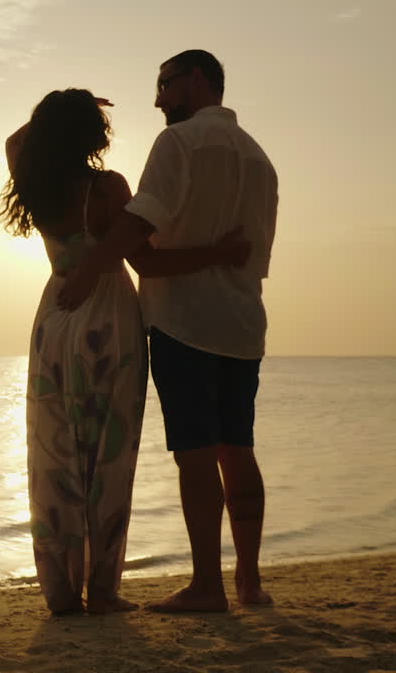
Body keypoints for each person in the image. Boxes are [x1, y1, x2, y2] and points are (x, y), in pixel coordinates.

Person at [0, 88, 250, 616]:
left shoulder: (35, 180)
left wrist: (58, 107)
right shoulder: (106, 187)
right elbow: (150, 265)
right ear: (94, 134)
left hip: (55, 315)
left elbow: (16, 138)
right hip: (108, 317)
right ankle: (104, 590)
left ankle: (63, 590)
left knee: (56, 453)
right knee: (108, 456)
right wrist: (222, 254)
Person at [56, 50, 279, 612]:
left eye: (165, 85)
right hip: (244, 324)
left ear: (197, 79)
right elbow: (253, 254)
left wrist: (87, 268)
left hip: (185, 323)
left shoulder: (178, 144)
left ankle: (208, 586)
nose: (158, 99)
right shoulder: (260, 158)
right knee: (239, 449)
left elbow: (139, 223)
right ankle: (249, 582)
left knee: (197, 455)